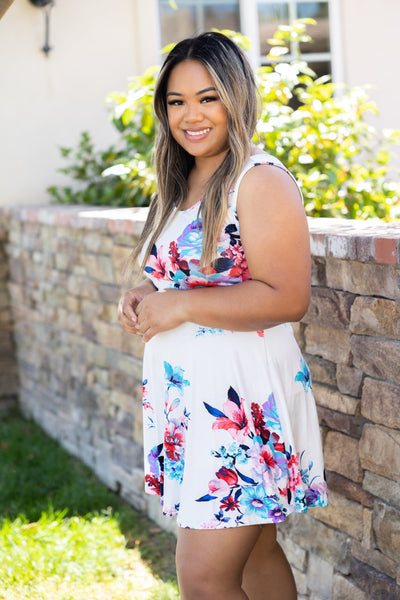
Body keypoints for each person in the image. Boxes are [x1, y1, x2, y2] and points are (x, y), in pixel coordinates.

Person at [118, 31, 328, 600]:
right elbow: (195, 272)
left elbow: (287, 297)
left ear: (236, 97)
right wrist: (149, 290)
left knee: (205, 580)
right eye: (177, 101)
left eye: (208, 97)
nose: (190, 115)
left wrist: (180, 303)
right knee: (257, 553)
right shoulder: (183, 179)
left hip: (239, 401)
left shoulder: (258, 180)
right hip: (194, 398)